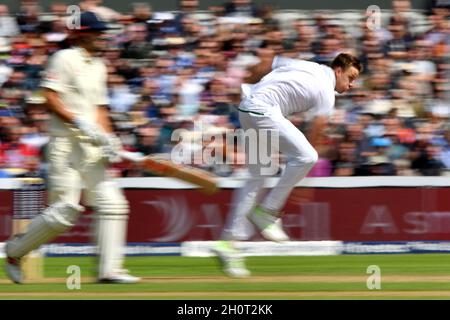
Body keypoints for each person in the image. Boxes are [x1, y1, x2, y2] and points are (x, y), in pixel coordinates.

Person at [4, 11, 140, 284]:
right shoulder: (63, 58)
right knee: (63, 212)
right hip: (65, 145)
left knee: (113, 204)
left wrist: (110, 139)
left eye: (103, 33)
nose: (103, 37)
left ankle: (109, 270)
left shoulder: (99, 65)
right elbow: (49, 97)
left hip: (91, 148)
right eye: (97, 32)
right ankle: (14, 252)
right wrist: (79, 121)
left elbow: (101, 108)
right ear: (82, 33)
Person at [213, 51, 362, 277]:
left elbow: (266, 63)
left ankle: (228, 244)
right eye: (350, 77)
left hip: (247, 109)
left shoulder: (308, 66)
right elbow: (318, 128)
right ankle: (268, 212)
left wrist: (245, 84)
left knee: (256, 178)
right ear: (338, 70)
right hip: (261, 110)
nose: (352, 84)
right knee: (308, 157)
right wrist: (304, 173)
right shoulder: (326, 92)